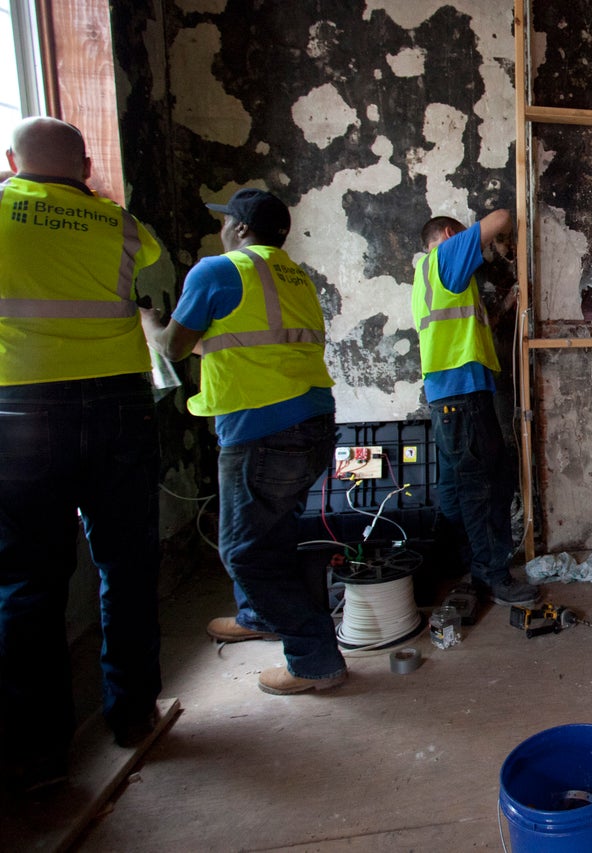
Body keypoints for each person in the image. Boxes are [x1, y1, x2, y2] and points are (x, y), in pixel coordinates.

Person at [0, 117, 163, 795]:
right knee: (126, 564)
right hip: (118, 409)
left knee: (27, 579)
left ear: (11, 161)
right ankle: (131, 714)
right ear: (88, 166)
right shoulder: (121, 224)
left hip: (21, 412)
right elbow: (153, 271)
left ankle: (38, 748)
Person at [144, 188, 346, 696]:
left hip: (262, 429)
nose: (221, 232)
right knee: (272, 534)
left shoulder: (218, 271)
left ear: (238, 229)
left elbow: (175, 346)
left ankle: (315, 659)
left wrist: (149, 323)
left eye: (224, 223)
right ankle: (258, 614)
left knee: (243, 551)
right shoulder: (295, 276)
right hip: (312, 421)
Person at [412, 209, 539, 608]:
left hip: (448, 400)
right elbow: (500, 217)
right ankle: (493, 575)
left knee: (456, 487)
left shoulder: (435, 279)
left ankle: (465, 565)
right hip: (464, 398)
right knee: (486, 487)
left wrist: (508, 303)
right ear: (451, 235)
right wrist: (498, 240)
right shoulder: (446, 257)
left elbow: (473, 328)